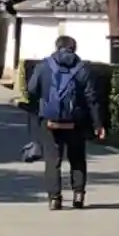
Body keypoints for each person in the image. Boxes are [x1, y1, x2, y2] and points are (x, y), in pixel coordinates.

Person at [26, 35, 105, 210]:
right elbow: (92, 98)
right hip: (76, 121)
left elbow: (31, 90)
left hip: (50, 120)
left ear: (56, 47)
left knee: (52, 160)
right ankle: (78, 196)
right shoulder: (83, 69)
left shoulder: (44, 66)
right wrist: (98, 124)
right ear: (74, 48)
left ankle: (55, 198)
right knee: (77, 158)